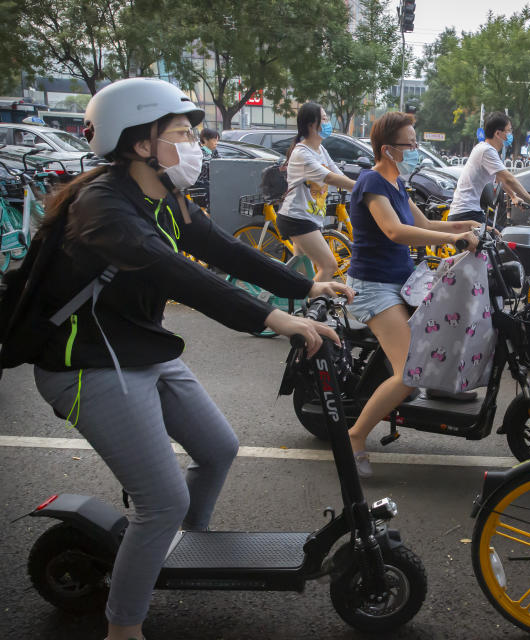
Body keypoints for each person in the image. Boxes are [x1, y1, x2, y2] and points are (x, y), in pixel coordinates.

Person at [27, 78, 349, 640]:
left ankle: (177, 550)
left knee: (219, 447)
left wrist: (306, 289)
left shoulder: (166, 198)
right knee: (161, 501)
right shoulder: (102, 208)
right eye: (180, 133)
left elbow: (226, 252)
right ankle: (123, 628)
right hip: (87, 366)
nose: (194, 144)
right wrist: (277, 319)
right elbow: (186, 277)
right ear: (138, 143)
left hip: (140, 350)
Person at [345, 111, 480, 477]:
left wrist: (467, 224)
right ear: (388, 150)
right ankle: (355, 436)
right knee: (409, 372)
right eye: (411, 144)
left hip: (402, 281)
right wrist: (452, 239)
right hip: (374, 287)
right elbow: (395, 231)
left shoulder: (398, 185)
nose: (417, 150)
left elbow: (424, 225)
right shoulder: (371, 183)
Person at [276, 102, 355, 281]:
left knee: (303, 273)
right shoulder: (302, 153)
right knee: (329, 266)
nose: (328, 123)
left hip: (308, 218)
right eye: (325, 119)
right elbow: (330, 178)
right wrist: (360, 187)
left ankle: (298, 305)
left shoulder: (320, 149)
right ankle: (311, 305)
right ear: (312, 124)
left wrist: (360, 185)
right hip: (297, 219)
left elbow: (337, 173)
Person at [448, 111, 530, 224]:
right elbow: (508, 178)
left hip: (469, 212)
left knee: (501, 236)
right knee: (502, 239)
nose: (510, 134)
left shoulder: (485, 149)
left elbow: (500, 179)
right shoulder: (486, 151)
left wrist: (513, 196)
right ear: (498, 133)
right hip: (466, 214)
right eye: (508, 131)